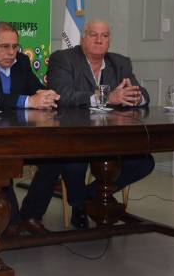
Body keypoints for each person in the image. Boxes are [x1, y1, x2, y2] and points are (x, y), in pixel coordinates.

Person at [46, 19, 154, 228]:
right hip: (75, 135)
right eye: (93, 34)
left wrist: (134, 97)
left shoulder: (120, 63)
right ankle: (79, 206)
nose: (99, 40)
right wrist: (107, 98)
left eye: (104, 36)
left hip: (111, 138)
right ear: (82, 38)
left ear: (109, 40)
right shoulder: (63, 59)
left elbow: (143, 94)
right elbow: (62, 96)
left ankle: (89, 197)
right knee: (74, 162)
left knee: (144, 162)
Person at [0, 21, 61, 235]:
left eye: (15, 46)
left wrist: (45, 94)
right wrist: (28, 101)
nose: (12, 52)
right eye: (5, 46)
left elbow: (35, 88)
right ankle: (11, 220)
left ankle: (31, 214)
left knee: (54, 158)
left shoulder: (21, 61)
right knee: (2, 162)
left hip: (22, 132)